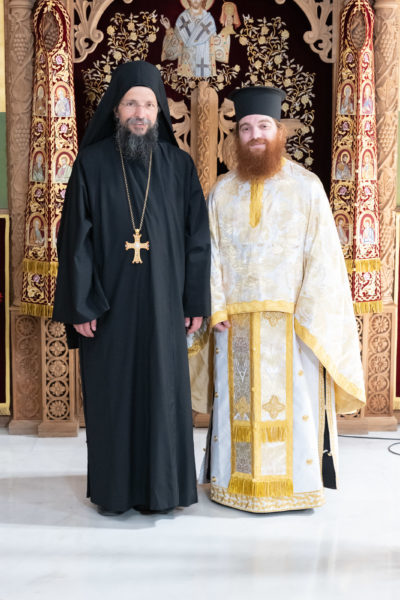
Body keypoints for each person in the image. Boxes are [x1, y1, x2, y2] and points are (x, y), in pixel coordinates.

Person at [53, 61, 211, 515]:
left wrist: (194, 300)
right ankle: (115, 492)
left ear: (159, 111)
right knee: (114, 396)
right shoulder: (92, 163)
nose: (140, 113)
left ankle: (164, 491)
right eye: (130, 104)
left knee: (164, 395)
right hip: (109, 307)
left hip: (165, 305)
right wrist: (82, 304)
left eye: (148, 104)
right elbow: (75, 240)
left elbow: (197, 239)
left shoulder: (179, 166)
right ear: (116, 110)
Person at [199, 86, 365, 513]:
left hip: (292, 325)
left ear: (279, 132)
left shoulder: (306, 188)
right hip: (234, 325)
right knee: (237, 407)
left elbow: (323, 258)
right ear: (237, 136)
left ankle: (298, 489)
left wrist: (308, 316)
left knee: (295, 407)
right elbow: (208, 254)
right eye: (246, 128)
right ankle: (233, 486)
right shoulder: (222, 191)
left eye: (263, 126)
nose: (255, 135)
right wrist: (214, 306)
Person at [160, 0, 232, 78]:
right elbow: (177, 42)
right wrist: (169, 29)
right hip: (187, 66)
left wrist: (226, 31)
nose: (196, 0)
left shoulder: (208, 19)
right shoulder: (182, 18)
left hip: (204, 65)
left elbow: (213, 43)